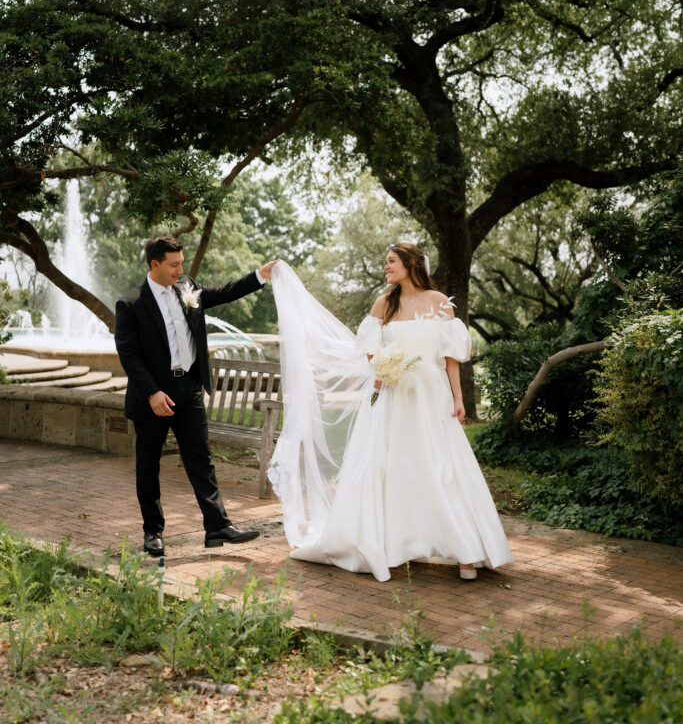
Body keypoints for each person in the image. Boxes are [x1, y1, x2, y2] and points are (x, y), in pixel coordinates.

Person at [268, 244, 512, 582]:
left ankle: (464, 553)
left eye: (391, 261)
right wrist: (386, 368)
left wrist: (459, 398)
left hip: (430, 396)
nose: (386, 267)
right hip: (393, 395)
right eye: (384, 262)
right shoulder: (384, 303)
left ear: (411, 263)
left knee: (442, 468)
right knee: (391, 467)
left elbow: (451, 356)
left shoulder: (440, 302)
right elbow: (371, 353)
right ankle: (391, 545)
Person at [115, 235, 278, 557]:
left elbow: (223, 293)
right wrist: (151, 393)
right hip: (154, 397)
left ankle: (216, 525)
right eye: (174, 264)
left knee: (200, 461)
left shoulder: (186, 287)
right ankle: (153, 533)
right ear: (155, 264)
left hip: (188, 389)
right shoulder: (131, 303)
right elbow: (128, 354)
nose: (180, 270)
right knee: (148, 467)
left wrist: (260, 275)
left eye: (181, 263)